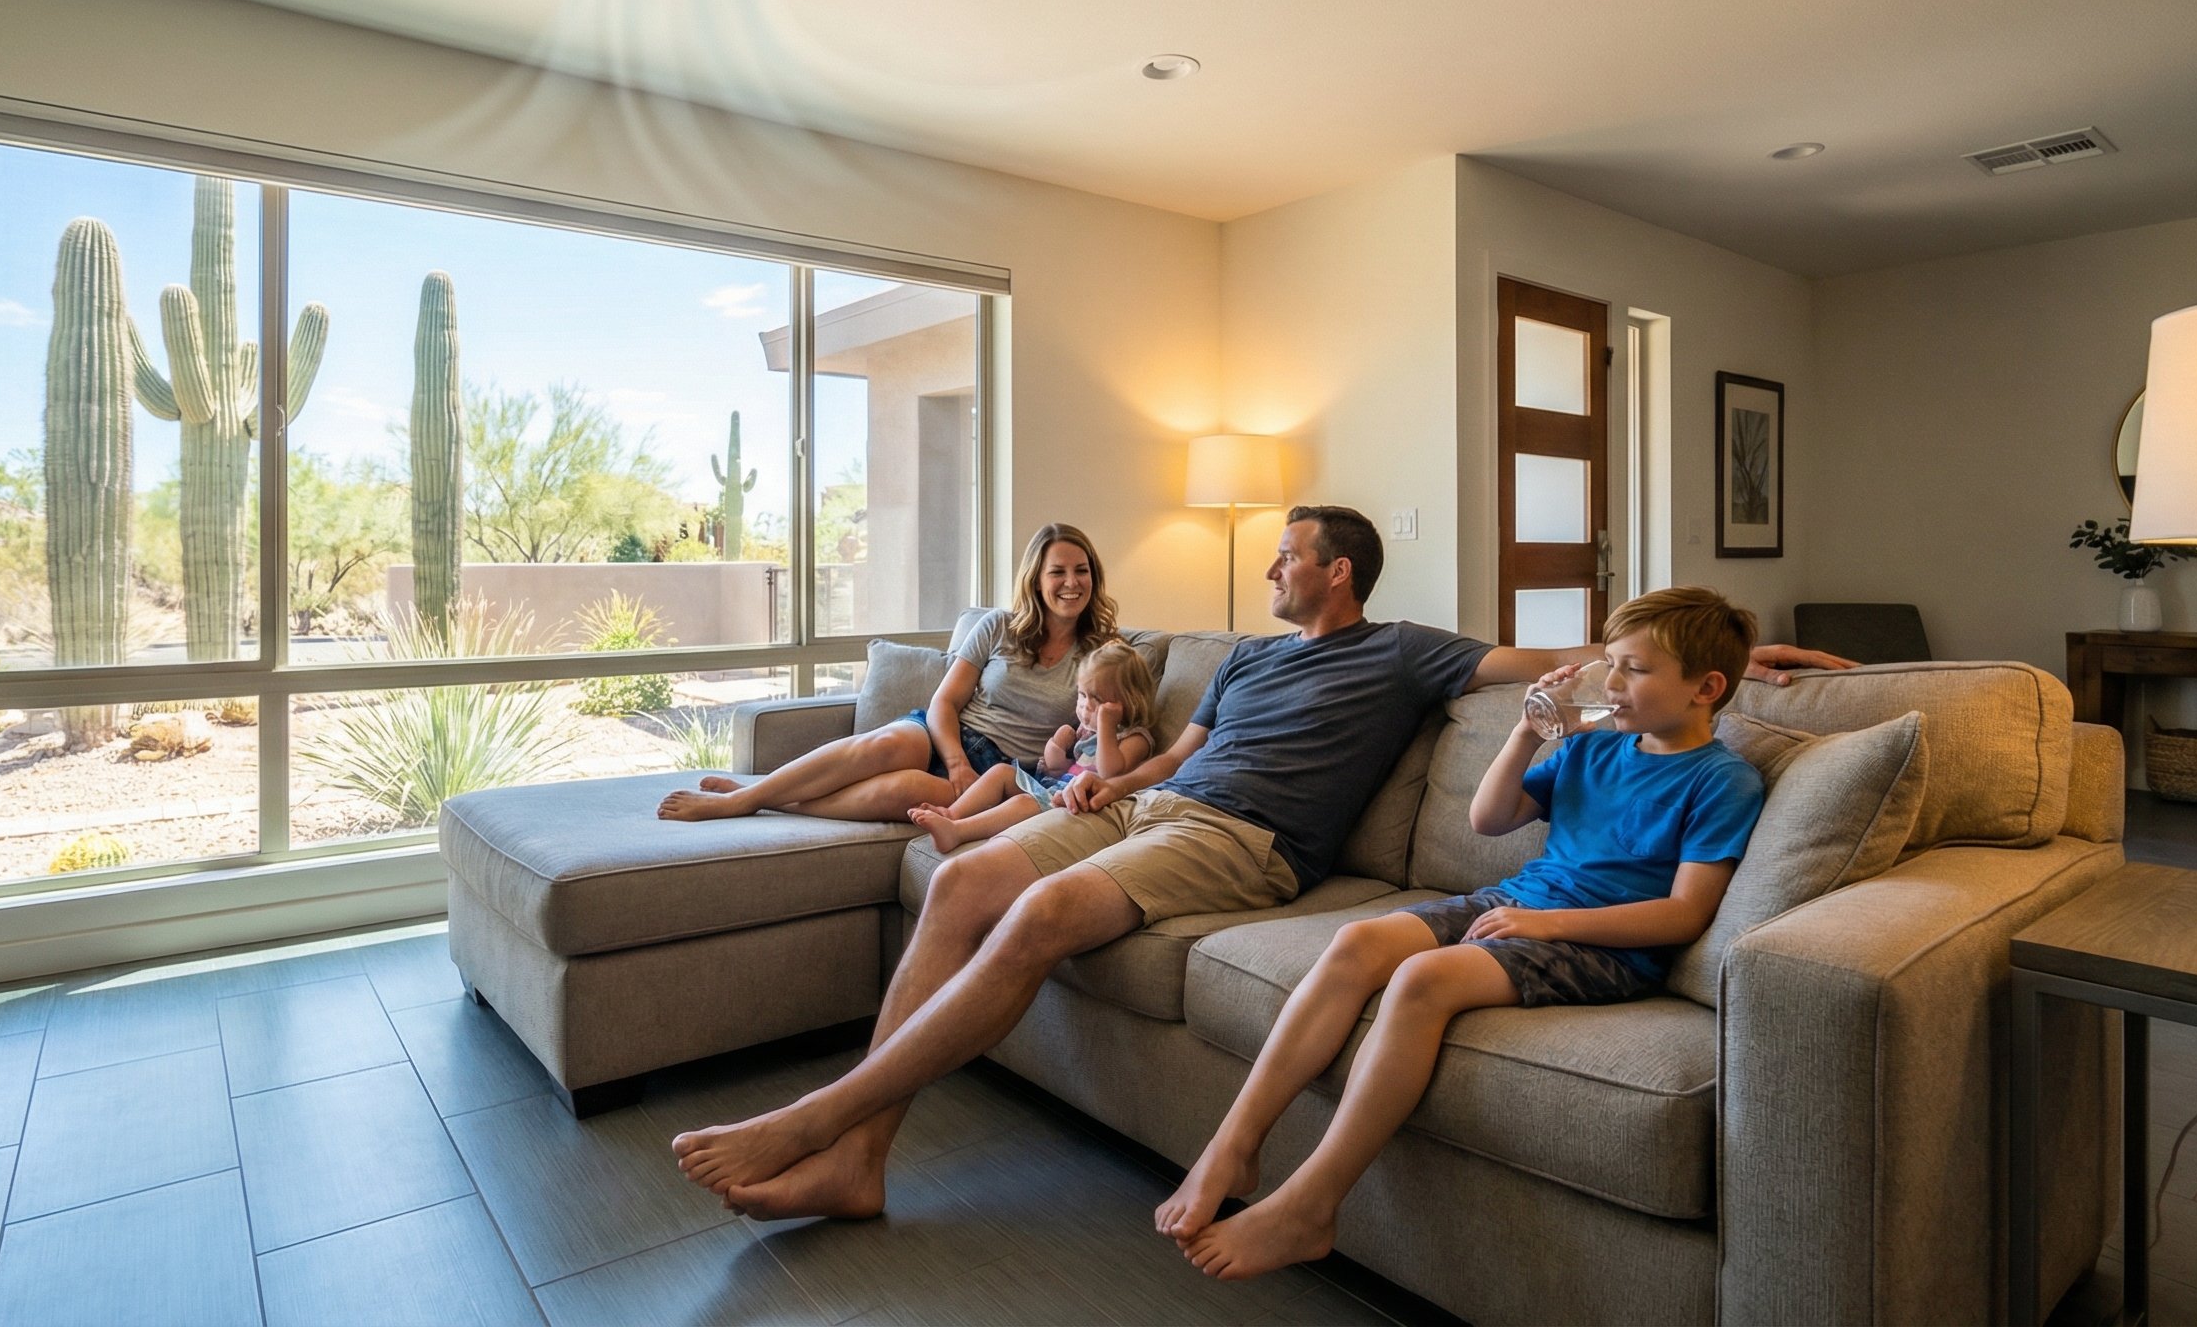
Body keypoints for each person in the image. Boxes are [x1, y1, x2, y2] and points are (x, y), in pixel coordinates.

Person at [669, 507, 1847, 1222]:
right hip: (1157, 806)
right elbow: (1178, 753)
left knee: (1034, 916)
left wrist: (1734, 647)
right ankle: (859, 1161)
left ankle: (822, 1115)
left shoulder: (1406, 655)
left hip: (1244, 844)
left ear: (1337, 571)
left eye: (1288, 557)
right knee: (970, 879)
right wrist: (1098, 781)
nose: (1272, 573)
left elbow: (1580, 661)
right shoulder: (1241, 663)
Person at [1160, 586, 1769, 1281]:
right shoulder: (1593, 751)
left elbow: (1685, 913)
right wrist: (1525, 734)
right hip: (1516, 899)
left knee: (1423, 978)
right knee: (1359, 942)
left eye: (1634, 668)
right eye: (1610, 664)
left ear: (1706, 687)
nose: (1611, 682)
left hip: (1606, 945)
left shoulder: (1722, 781)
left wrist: (1546, 923)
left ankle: (1310, 1204)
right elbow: (1490, 817)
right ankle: (1235, 1144)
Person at [657, 523, 1119, 823]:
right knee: (884, 743)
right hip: (952, 735)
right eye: (1057, 571)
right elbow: (945, 702)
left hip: (1004, 772)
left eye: (1081, 571)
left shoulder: (1103, 655)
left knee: (899, 793)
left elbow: (1115, 725)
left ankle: (765, 796)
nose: (1071, 582)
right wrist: (956, 759)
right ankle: (741, 801)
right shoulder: (998, 626)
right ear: (1036, 579)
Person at [909, 640, 1159, 855]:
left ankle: (957, 832)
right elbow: (1060, 769)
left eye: (1099, 700)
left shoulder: (1135, 738)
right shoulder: (1087, 733)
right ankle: (951, 814)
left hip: (1076, 805)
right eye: (1082, 695)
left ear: (1130, 701)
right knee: (1001, 772)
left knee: (1025, 803)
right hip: (1055, 788)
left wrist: (1105, 726)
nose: (1085, 707)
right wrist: (1056, 749)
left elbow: (1109, 773)